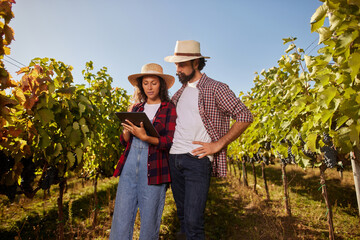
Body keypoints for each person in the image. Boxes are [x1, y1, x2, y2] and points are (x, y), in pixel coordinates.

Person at [164, 40, 253, 239]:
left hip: (196, 160)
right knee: (183, 219)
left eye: (182, 64)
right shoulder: (178, 94)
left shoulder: (216, 88)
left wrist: (218, 144)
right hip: (174, 158)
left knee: (194, 223)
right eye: (176, 64)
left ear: (196, 63)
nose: (177, 69)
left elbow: (245, 116)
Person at [110, 63, 177, 240]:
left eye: (153, 83)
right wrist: (126, 132)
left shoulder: (168, 108)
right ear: (141, 86)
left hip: (155, 168)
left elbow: (170, 142)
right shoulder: (136, 108)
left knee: (149, 221)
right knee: (121, 218)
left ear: (161, 85)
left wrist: (146, 138)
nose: (149, 87)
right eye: (146, 83)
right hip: (130, 167)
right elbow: (125, 142)